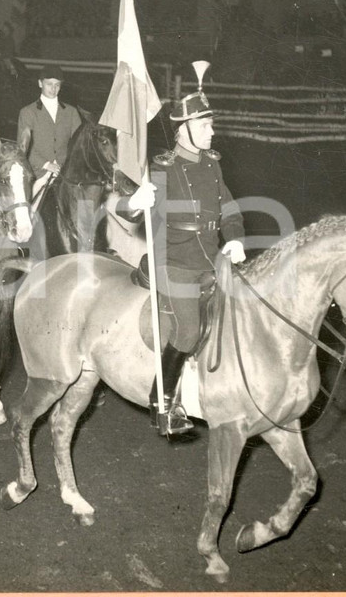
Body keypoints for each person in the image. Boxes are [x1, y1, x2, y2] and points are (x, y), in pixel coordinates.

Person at [121, 63, 245, 437]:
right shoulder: (163, 168)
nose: (212, 131)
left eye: (211, 124)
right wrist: (135, 200)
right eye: (206, 125)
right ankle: (163, 402)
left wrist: (235, 236)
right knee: (188, 330)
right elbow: (123, 208)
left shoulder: (212, 164)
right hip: (174, 262)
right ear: (185, 129)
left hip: (211, 257)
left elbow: (229, 207)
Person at [16, 64, 83, 195]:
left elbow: (78, 145)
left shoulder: (71, 112)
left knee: (85, 203)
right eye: (49, 84)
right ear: (40, 84)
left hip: (65, 172)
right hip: (38, 172)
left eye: (57, 85)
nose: (53, 89)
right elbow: (23, 147)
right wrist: (47, 165)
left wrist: (65, 165)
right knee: (30, 208)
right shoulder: (28, 112)